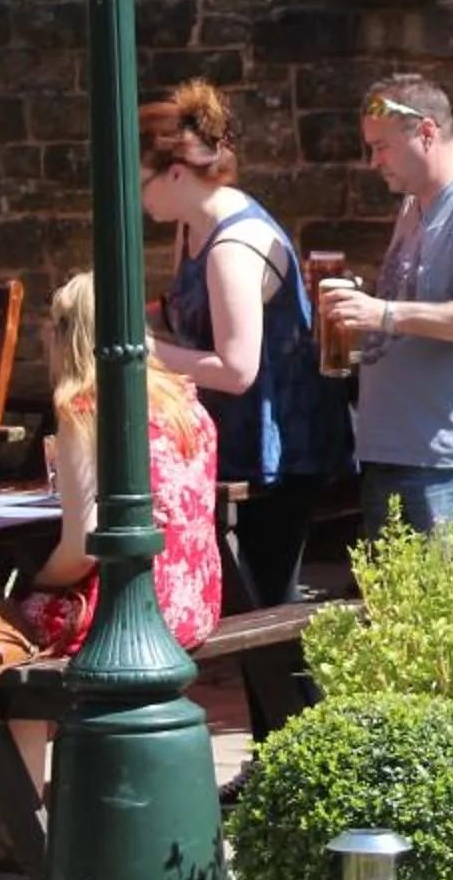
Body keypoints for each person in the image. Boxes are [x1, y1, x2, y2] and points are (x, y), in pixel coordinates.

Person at [0, 272, 223, 880]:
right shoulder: (185, 402)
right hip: (191, 600)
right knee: (15, 664)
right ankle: (21, 831)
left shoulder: (83, 406)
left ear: (67, 335)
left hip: (127, 611)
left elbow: (82, 546)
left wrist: (35, 588)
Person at [139, 79, 351, 613]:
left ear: (178, 173)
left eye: (141, 181)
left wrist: (139, 351)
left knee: (265, 611)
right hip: (237, 442)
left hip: (278, 450)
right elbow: (188, 322)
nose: (137, 197)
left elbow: (237, 368)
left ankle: (308, 701)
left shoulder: (232, 246)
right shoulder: (191, 227)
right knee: (245, 611)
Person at [320, 73, 453, 534]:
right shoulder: (413, 207)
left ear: (427, 132)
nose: (373, 162)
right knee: (391, 605)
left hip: (446, 459)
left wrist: (383, 313)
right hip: (396, 447)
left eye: (381, 147)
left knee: (438, 603)